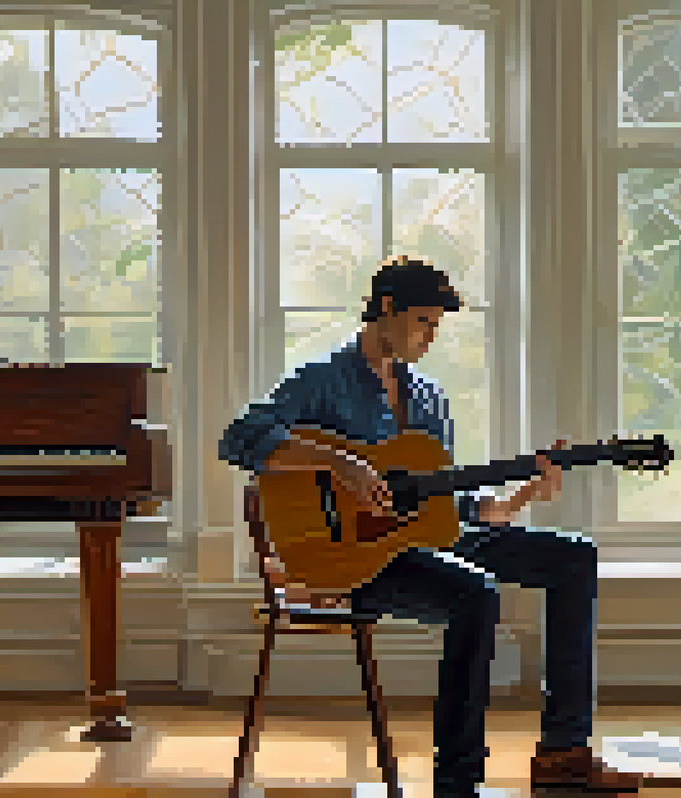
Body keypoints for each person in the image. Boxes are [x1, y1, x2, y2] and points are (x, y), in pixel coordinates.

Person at [218, 256, 645, 797]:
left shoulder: (428, 396)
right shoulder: (323, 380)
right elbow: (239, 438)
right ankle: (457, 783)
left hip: (424, 543)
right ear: (386, 308)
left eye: (437, 325)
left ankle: (565, 753)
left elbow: (447, 507)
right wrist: (338, 462)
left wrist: (520, 497)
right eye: (423, 321)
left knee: (574, 555)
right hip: (355, 557)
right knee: (475, 594)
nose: (431, 336)